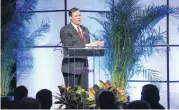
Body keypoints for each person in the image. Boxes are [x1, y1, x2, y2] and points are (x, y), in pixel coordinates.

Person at [60, 7, 104, 90]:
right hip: (71, 67)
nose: (79, 17)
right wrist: (89, 45)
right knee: (72, 96)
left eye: (79, 15)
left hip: (84, 66)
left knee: (84, 95)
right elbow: (70, 46)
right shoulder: (65, 30)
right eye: (76, 16)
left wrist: (96, 45)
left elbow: (87, 46)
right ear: (70, 17)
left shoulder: (85, 29)